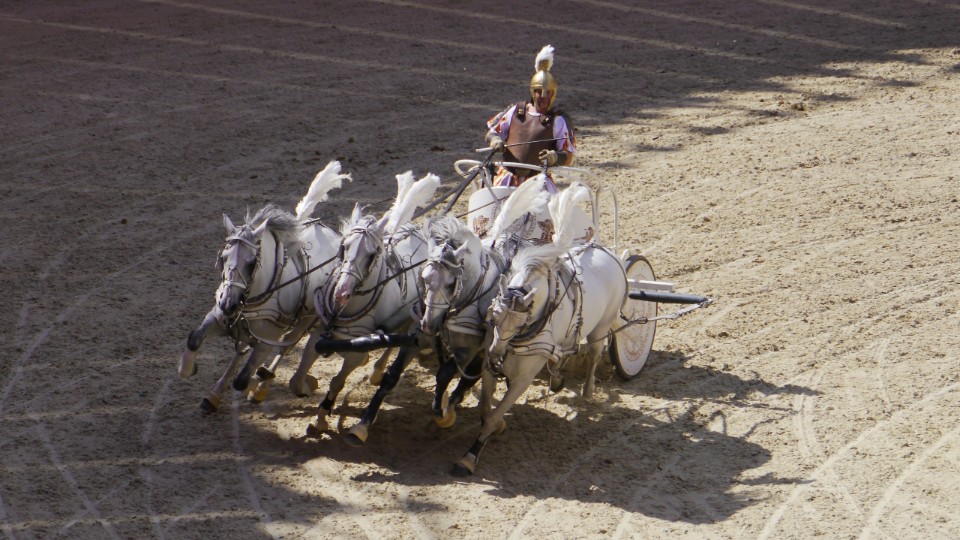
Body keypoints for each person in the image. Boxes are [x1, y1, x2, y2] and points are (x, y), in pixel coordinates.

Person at [485, 45, 576, 191]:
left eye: (547, 93)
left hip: (539, 181)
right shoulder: (516, 111)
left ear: (553, 94)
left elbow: (568, 156)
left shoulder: (558, 120)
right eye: (538, 91)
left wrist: (554, 157)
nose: (543, 97)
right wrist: (495, 140)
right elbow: (492, 132)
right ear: (533, 92)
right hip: (507, 178)